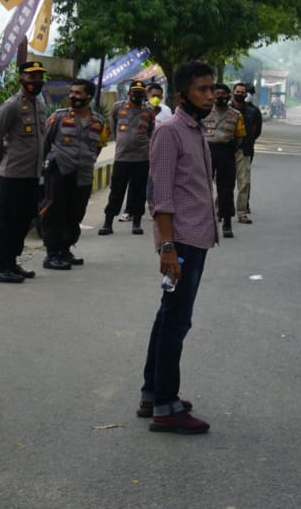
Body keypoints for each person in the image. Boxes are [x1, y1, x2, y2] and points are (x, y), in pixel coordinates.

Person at [140, 60, 219, 435]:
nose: (211, 94)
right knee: (176, 320)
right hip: (182, 240)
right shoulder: (171, 131)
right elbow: (162, 196)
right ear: (181, 94)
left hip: (195, 236)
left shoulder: (195, 128)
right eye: (202, 89)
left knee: (167, 315)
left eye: (211, 88)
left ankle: (151, 392)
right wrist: (168, 247)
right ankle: (166, 406)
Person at [0, 60, 49, 283]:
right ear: (21, 79)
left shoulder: (39, 106)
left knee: (23, 220)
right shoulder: (11, 106)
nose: (36, 82)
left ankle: (12, 262)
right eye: (32, 78)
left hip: (32, 175)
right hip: (13, 174)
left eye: (39, 77)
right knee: (7, 222)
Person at [39, 79, 108, 270]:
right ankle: (52, 253)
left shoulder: (99, 121)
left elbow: (99, 147)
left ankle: (65, 249)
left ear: (88, 97)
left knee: (76, 212)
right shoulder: (59, 117)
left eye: (78, 93)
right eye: (72, 92)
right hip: (60, 171)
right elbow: (45, 143)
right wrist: (42, 171)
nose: (72, 96)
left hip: (83, 174)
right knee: (55, 212)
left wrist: (89, 160)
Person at [101, 80, 156, 236]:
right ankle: (108, 223)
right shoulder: (118, 107)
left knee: (139, 192)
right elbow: (112, 126)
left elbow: (151, 131)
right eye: (134, 92)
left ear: (144, 94)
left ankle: (137, 223)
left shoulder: (149, 111)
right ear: (129, 93)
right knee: (116, 191)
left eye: (140, 92)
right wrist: (121, 141)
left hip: (142, 158)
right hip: (122, 157)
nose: (137, 95)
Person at [202, 83, 245, 239]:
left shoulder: (236, 115)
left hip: (226, 152)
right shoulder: (204, 112)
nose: (220, 96)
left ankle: (227, 221)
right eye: (217, 93)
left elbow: (240, 136)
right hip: (206, 151)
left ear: (229, 96)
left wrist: (231, 148)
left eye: (223, 94)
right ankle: (203, 221)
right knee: (203, 187)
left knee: (226, 189)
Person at [232, 81, 262, 225]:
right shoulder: (226, 110)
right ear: (233, 93)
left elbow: (256, 131)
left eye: (242, 93)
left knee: (244, 183)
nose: (240, 95)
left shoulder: (253, 112)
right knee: (224, 182)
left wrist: (246, 142)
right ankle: (220, 210)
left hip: (245, 151)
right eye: (237, 92)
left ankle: (242, 212)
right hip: (226, 152)